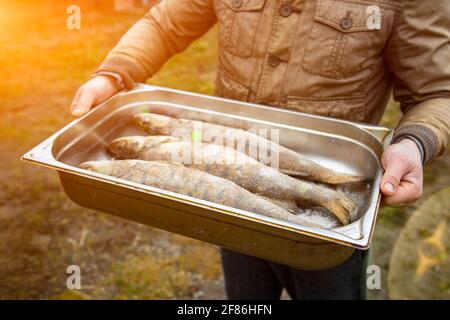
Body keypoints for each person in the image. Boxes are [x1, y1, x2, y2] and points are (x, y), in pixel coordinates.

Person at [70, 0, 450, 299]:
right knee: (245, 300)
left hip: (326, 232)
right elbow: (165, 23)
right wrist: (114, 72)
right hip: (230, 206)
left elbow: (436, 92)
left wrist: (415, 142)